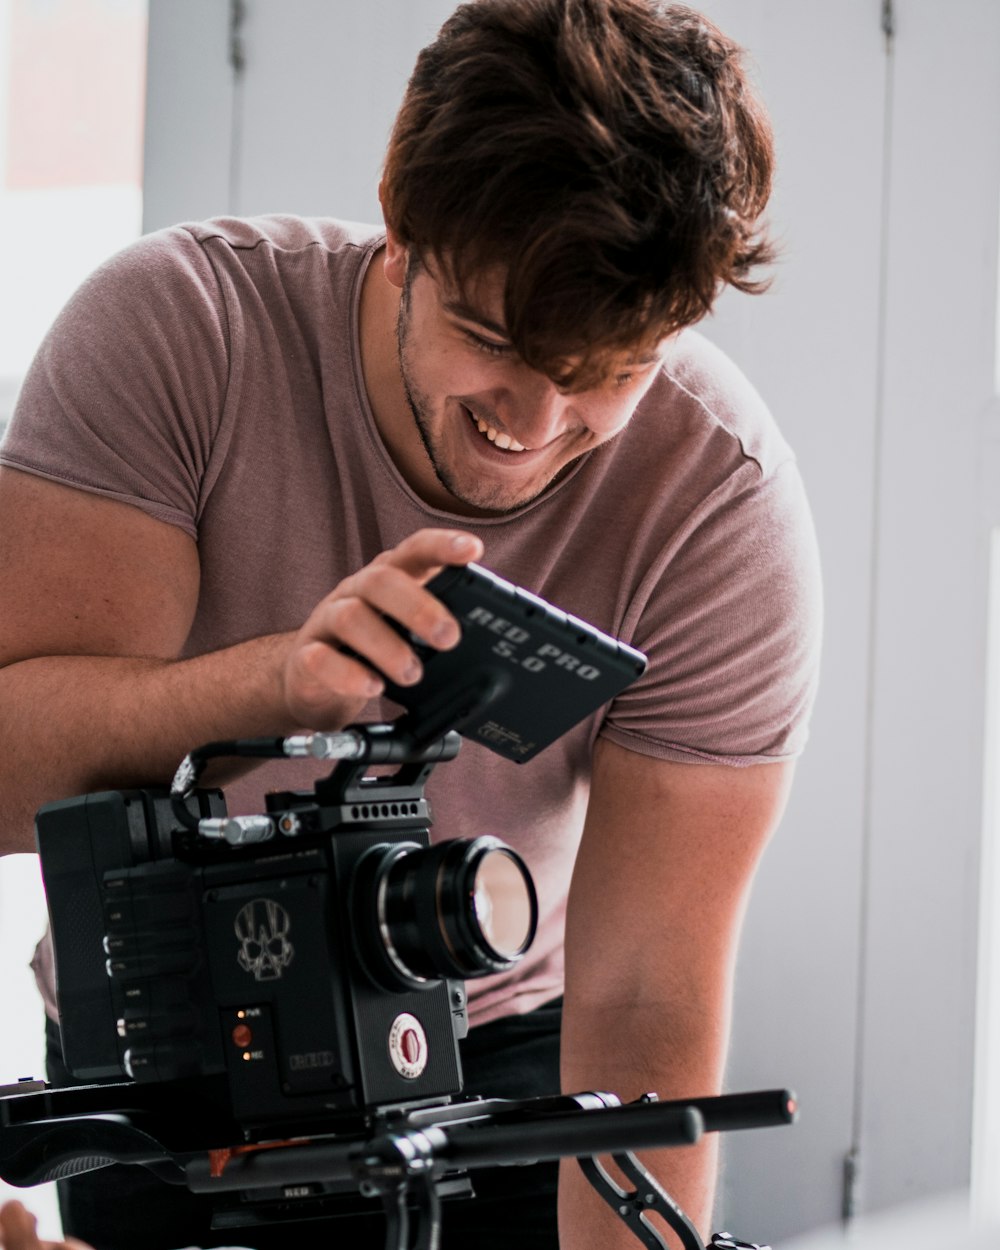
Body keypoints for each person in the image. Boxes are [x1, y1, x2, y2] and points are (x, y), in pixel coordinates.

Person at [0, 1, 822, 1247]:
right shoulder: (182, 331)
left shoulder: (716, 504)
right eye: (491, 339)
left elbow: (646, 992)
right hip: (168, 1040)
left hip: (499, 1049)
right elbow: (10, 784)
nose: (535, 425)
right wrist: (268, 686)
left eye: (606, 368)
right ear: (401, 226)